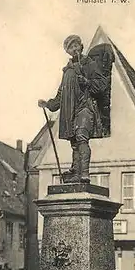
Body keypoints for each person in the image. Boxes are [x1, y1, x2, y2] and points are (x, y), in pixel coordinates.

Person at [38, 34, 108, 183]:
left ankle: (84, 174)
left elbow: (102, 85)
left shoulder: (90, 64)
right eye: (71, 47)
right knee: (75, 143)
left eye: (76, 45)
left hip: (86, 107)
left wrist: (87, 82)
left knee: (82, 136)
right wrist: (48, 104)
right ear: (67, 51)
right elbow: (61, 94)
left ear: (81, 46)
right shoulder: (67, 71)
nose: (74, 48)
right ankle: (76, 172)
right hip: (70, 110)